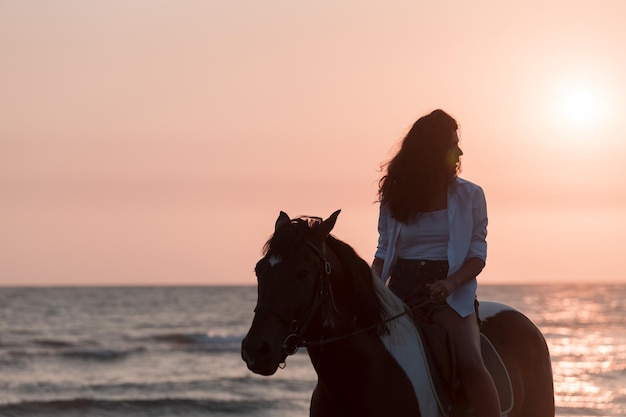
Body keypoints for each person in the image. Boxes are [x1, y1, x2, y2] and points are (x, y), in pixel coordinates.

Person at [371, 109, 500, 417]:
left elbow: (476, 255)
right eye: (452, 144)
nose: (460, 151)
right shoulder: (395, 196)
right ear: (432, 151)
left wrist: (450, 283)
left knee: (471, 363)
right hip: (399, 288)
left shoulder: (470, 195)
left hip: (450, 291)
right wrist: (368, 286)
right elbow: (384, 250)